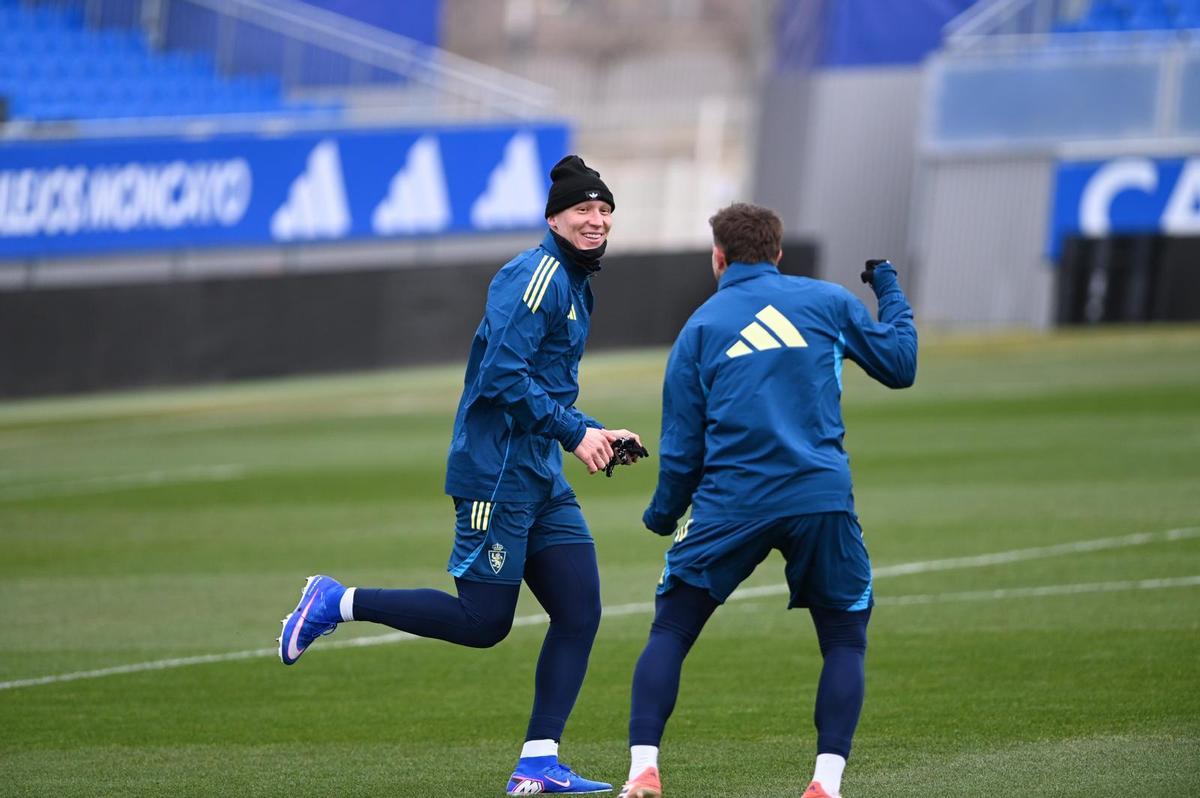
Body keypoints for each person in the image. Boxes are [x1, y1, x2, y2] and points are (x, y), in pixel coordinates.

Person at [277, 155, 643, 796]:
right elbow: (500, 377)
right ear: (554, 219)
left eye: (604, 210)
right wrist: (573, 433)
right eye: (583, 209)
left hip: (538, 474)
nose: (597, 220)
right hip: (496, 475)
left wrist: (593, 429)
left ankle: (537, 765)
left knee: (580, 610)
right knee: (484, 623)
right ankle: (336, 601)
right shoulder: (535, 277)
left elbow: (544, 385)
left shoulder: (574, 281)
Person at [617, 203, 917, 798]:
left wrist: (663, 515)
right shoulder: (828, 303)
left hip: (732, 504)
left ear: (718, 258)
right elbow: (900, 365)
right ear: (777, 253)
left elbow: (681, 446)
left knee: (671, 629)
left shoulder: (700, 329)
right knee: (843, 639)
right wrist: (888, 286)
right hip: (819, 499)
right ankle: (825, 784)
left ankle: (643, 771)